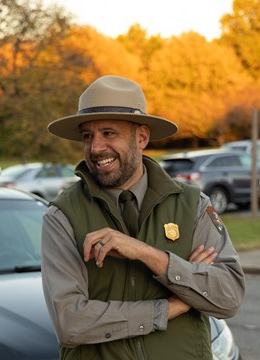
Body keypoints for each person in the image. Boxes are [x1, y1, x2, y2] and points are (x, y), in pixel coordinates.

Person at [41, 75, 245, 359]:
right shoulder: (62, 215)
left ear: (142, 137)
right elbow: (71, 323)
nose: (96, 147)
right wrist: (172, 306)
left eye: (109, 133)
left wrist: (151, 256)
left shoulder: (192, 205)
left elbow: (229, 298)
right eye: (88, 136)